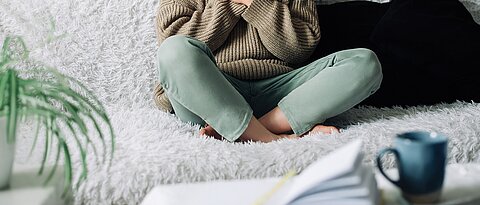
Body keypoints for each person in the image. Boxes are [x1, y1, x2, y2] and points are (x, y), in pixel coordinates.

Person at [154, 0, 382, 142]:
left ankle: (244, 130)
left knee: (364, 63)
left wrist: (255, 3)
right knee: (173, 50)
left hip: (284, 92)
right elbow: (174, 40)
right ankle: (270, 138)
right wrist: (231, 3)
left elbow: (298, 49)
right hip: (213, 96)